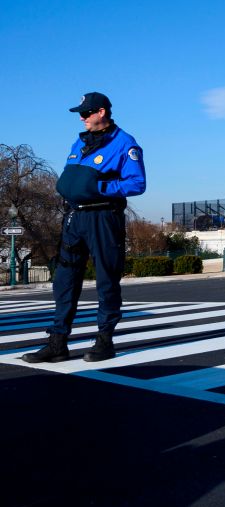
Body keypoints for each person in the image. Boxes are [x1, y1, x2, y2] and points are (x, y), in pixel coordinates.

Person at [23, 92, 146, 363]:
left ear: (101, 112)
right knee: (64, 280)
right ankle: (58, 342)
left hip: (103, 217)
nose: (81, 117)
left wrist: (101, 188)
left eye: (86, 112)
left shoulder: (125, 144)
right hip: (74, 217)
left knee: (106, 279)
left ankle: (105, 340)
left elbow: (137, 184)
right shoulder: (79, 143)